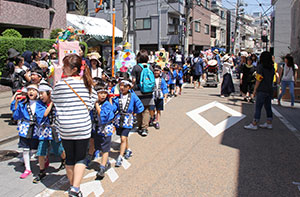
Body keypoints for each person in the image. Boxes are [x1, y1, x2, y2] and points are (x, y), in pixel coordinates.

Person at [51, 54, 97, 196]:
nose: (62, 68)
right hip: (82, 125)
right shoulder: (86, 83)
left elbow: (54, 100)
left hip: (65, 127)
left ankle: (73, 185)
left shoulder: (60, 85)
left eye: (64, 66)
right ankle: (75, 188)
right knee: (81, 157)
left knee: (70, 158)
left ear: (73, 68)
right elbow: (92, 102)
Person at [33, 83, 66, 183]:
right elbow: (44, 114)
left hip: (55, 129)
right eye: (40, 93)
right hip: (44, 130)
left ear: (49, 93)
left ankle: (64, 160)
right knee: (41, 150)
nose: (41, 96)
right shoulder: (39, 104)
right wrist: (51, 103)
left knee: (59, 148)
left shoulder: (57, 103)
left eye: (43, 93)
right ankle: (42, 171)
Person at [12, 84, 45, 179]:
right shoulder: (23, 103)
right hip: (25, 127)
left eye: (33, 90)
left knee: (36, 148)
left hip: (37, 128)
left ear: (38, 92)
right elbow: (16, 115)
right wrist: (16, 104)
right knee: (25, 148)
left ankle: (43, 160)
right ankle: (27, 168)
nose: (31, 92)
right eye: (29, 90)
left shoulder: (41, 103)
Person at [113, 79, 144, 167]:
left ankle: (120, 157)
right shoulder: (117, 97)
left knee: (123, 138)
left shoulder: (133, 96)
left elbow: (139, 105)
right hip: (119, 119)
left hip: (128, 119)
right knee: (123, 137)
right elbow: (114, 108)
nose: (122, 88)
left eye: (125, 86)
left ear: (129, 87)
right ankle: (128, 149)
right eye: (121, 86)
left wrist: (134, 113)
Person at [244, 51, 275, 130]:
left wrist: (255, 90)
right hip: (269, 89)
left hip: (262, 89)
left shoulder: (261, 66)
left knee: (258, 107)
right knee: (268, 107)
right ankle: (269, 123)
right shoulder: (272, 67)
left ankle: (254, 123)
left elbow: (259, 79)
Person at [91, 80, 115, 179]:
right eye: (100, 93)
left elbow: (103, 116)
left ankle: (102, 167)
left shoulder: (107, 105)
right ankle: (106, 161)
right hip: (96, 128)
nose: (103, 95)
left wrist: (97, 106)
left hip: (105, 129)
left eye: (105, 93)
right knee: (98, 146)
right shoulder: (92, 103)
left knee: (105, 148)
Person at [131, 49, 154, 137]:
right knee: (146, 109)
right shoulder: (150, 67)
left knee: (138, 109)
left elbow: (133, 80)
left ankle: (140, 126)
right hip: (148, 91)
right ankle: (145, 128)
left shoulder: (136, 67)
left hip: (138, 91)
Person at [149, 65, 168, 129]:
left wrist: (165, 96)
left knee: (159, 110)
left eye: (157, 71)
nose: (156, 72)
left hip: (160, 96)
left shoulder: (162, 80)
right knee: (151, 109)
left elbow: (164, 88)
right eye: (155, 71)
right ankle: (152, 117)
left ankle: (157, 121)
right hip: (152, 96)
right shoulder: (151, 79)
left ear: (160, 72)